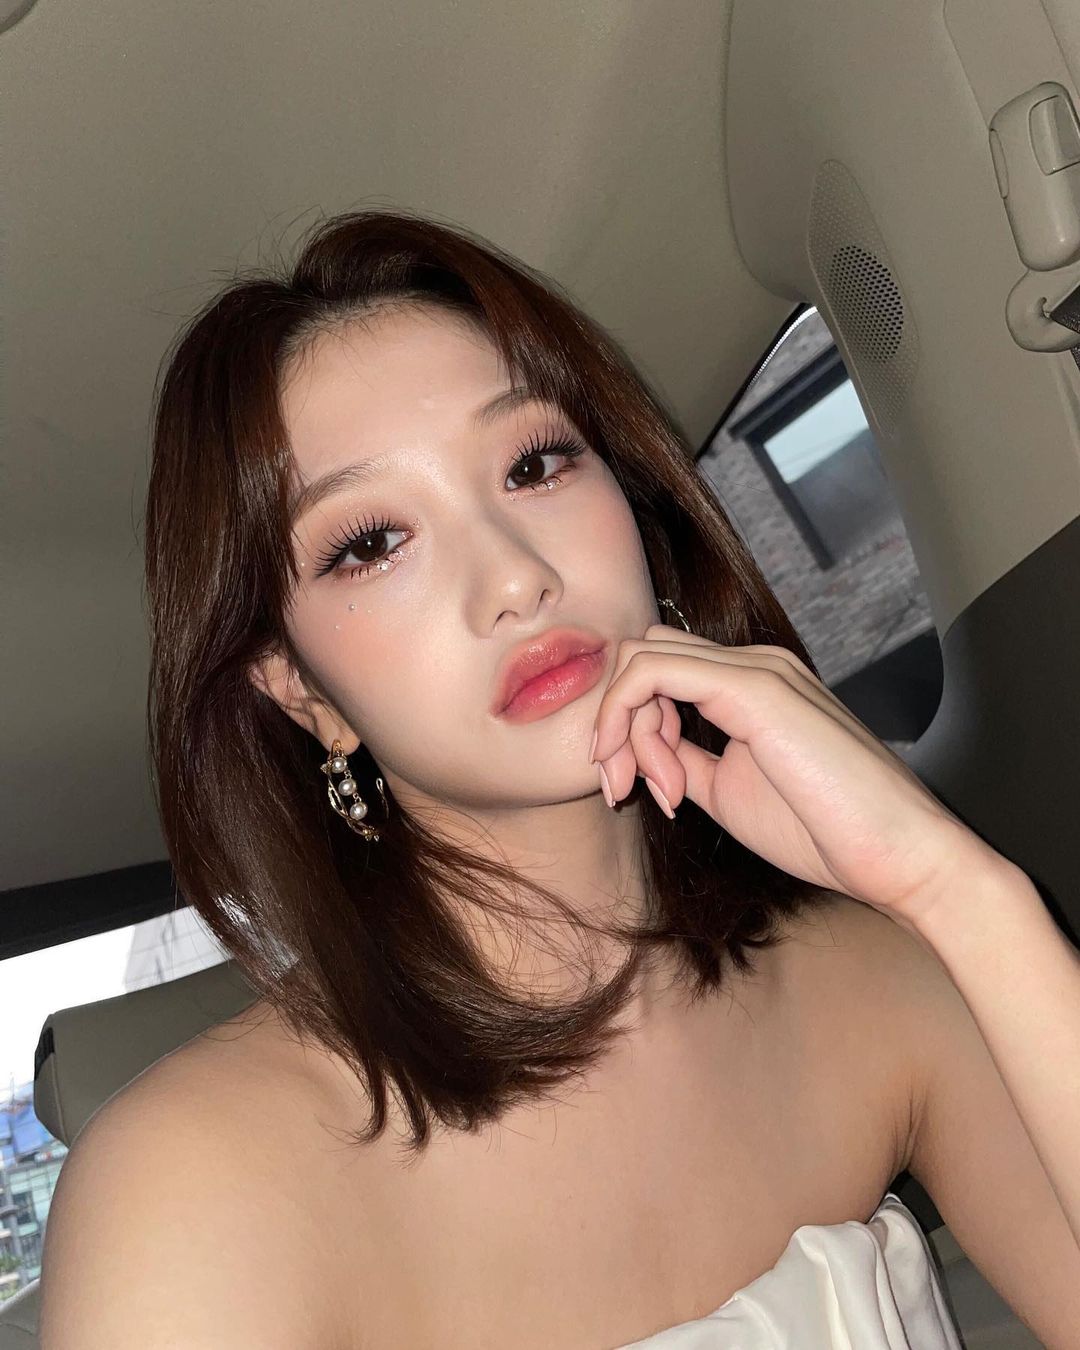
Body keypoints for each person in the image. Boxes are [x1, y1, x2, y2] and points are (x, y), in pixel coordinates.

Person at [38, 210, 1080, 1349]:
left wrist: (952, 888)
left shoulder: (875, 981)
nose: (516, 579)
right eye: (371, 543)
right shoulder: (192, 1190)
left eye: (534, 465)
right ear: (304, 693)